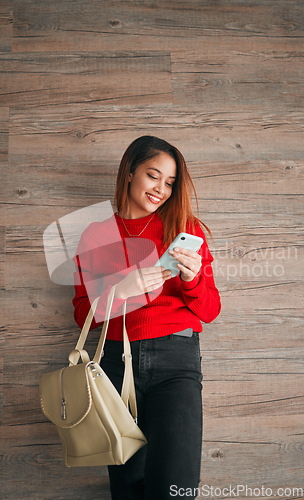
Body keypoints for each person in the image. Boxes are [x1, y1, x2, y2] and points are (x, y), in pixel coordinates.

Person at [72, 135, 221, 500]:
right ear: (129, 172)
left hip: (176, 363)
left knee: (176, 486)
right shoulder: (97, 234)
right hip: (115, 363)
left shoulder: (186, 229)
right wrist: (120, 292)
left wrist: (191, 278)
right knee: (128, 486)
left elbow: (210, 310)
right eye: (153, 176)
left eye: (170, 182)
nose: (161, 189)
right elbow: (82, 313)